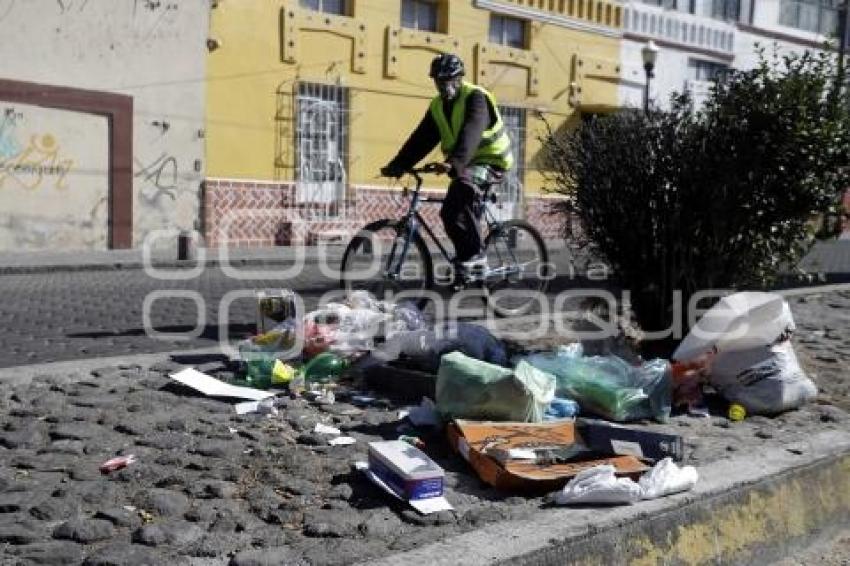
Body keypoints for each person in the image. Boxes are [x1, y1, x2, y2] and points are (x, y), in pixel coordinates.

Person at [380, 53, 514, 279]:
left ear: (459, 78)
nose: (442, 85)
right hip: (463, 163)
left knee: (456, 199)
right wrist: (398, 164)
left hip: (491, 160)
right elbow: (422, 139)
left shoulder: (476, 98)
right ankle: (465, 265)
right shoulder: (437, 106)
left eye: (447, 80)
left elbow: (471, 132)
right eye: (438, 81)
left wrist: (452, 163)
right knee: (453, 209)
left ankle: (476, 257)